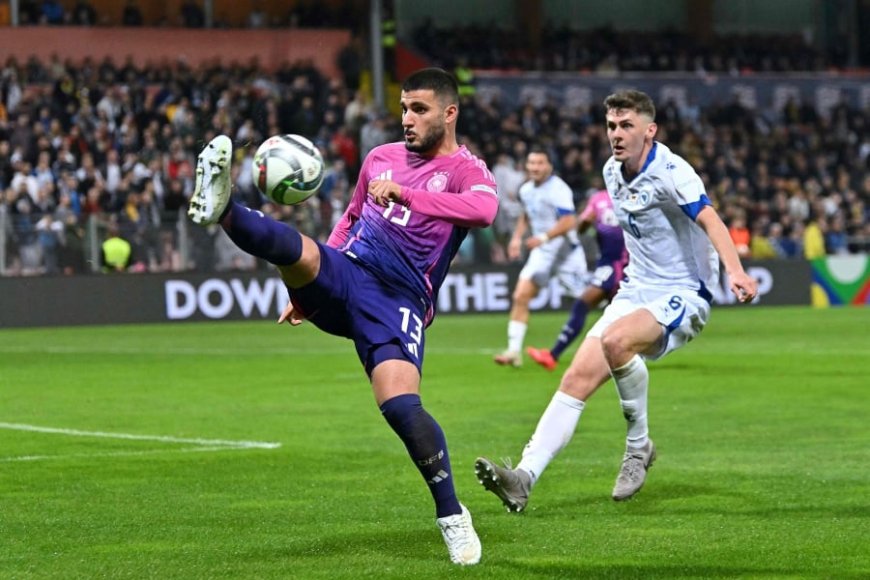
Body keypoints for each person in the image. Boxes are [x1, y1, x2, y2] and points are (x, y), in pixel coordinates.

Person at [187, 68, 497, 565]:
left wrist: (408, 195)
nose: (407, 120)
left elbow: (482, 213)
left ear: (449, 113)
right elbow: (350, 219)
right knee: (295, 250)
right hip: (349, 271)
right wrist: (309, 285)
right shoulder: (380, 158)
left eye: (419, 110)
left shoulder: (466, 169)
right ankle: (224, 207)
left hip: (399, 298)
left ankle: (452, 515)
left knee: (401, 408)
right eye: (403, 109)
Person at [475, 89, 757, 512]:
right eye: (611, 126)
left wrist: (734, 270)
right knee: (574, 380)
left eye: (627, 125)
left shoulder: (673, 171)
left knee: (616, 342)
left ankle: (638, 447)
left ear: (650, 129)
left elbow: (709, 217)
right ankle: (524, 477)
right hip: (635, 291)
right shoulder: (611, 172)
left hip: (683, 292)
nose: (617, 134)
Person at [493, 148, 586, 368]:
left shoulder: (558, 189)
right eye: (531, 163)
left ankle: (623, 339)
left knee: (588, 301)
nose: (534, 167)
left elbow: (568, 222)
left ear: (549, 166)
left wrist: (544, 237)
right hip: (542, 254)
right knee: (520, 296)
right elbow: (526, 214)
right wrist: (516, 239)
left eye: (540, 163)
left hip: (566, 255)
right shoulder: (526, 189)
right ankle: (514, 351)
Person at [526, 189, 628, 371]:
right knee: (616, 313)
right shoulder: (598, 198)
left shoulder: (635, 193)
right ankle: (622, 357)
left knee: (586, 304)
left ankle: (553, 354)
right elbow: (581, 227)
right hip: (607, 261)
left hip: (623, 263)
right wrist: (586, 222)